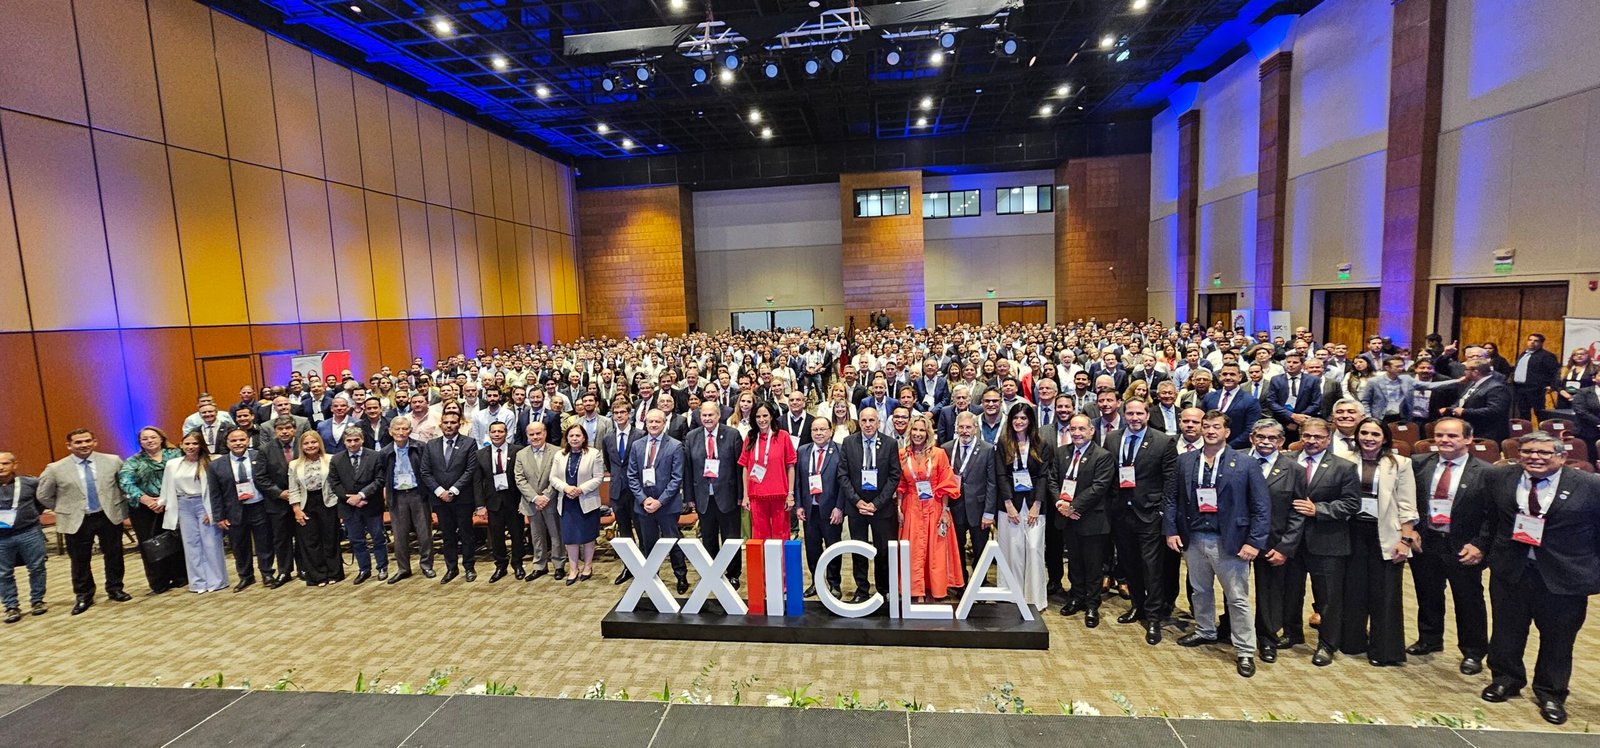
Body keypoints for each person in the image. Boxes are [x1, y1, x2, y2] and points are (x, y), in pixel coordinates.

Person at [1475, 431, 1600, 726]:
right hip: (1512, 569)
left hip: (1564, 575)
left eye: (1544, 452)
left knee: (1558, 638)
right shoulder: (1498, 477)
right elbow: (1491, 519)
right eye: (1528, 451)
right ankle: (1506, 680)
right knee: (1506, 630)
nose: (1535, 457)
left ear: (1562, 456)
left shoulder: (1590, 485)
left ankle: (1551, 693)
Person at [1163, 410, 1271, 678]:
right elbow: (1172, 498)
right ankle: (1205, 630)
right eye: (1206, 426)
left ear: (1227, 432)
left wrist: (1254, 542)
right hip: (1194, 537)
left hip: (1230, 541)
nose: (1210, 431)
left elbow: (1261, 507)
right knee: (1200, 590)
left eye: (1216, 427)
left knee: (1237, 598)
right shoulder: (1186, 460)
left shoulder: (1245, 463)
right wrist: (1171, 530)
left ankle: (1245, 649)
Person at [1407, 417, 1491, 675]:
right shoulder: (1418, 464)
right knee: (1427, 593)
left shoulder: (1486, 472)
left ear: (1468, 439)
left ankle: (1473, 652)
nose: (1444, 440)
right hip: (1427, 540)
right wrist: (1409, 530)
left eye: (1452, 436)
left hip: (1463, 546)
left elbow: (1493, 515)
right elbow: (1407, 501)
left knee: (1468, 601)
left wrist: (1480, 544)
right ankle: (1430, 639)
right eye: (1440, 435)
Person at [1340, 417, 1418, 667]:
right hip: (1352, 530)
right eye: (1364, 433)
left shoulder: (1401, 464)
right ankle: (1352, 642)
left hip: (1386, 533)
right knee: (1353, 589)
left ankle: (1384, 650)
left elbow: (1407, 504)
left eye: (1375, 434)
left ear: (1385, 438)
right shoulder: (1344, 459)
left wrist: (1405, 539)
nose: (1369, 438)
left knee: (1385, 593)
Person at [1286, 418, 1362, 666]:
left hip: (1328, 540)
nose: (1312, 441)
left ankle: (1327, 644)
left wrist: (1317, 509)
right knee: (1291, 591)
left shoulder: (1344, 467)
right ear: (1301, 436)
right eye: (1307, 436)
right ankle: (1291, 633)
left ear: (1328, 439)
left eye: (1318, 437)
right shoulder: (1287, 461)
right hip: (1291, 540)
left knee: (1328, 597)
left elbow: (1351, 504)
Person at [36, 429, 130, 615]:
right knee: (80, 560)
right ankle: (84, 595)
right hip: (77, 519)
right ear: (69, 445)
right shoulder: (55, 468)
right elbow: (43, 495)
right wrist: (64, 508)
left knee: (114, 554)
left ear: (95, 442)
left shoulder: (112, 461)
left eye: (87, 440)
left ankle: (115, 588)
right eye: (78, 442)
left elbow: (123, 485)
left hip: (107, 515)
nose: (84, 445)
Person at [1107, 398, 1177, 644]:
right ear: (1124, 414)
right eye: (1130, 413)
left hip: (1150, 514)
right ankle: (1137, 605)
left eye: (1139, 413)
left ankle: (1153, 616)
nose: (1134, 418)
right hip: (1121, 514)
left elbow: (1170, 481)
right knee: (1129, 564)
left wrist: (1162, 512)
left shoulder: (1163, 441)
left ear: (1147, 415)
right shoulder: (1113, 439)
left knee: (1151, 568)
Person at [1246, 418, 1305, 664]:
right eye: (1261, 437)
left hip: (1274, 541)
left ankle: (1267, 639)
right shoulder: (1237, 460)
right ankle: (1231, 630)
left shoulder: (1294, 469)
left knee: (1269, 594)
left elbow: (1298, 512)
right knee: (1234, 590)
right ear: (1252, 438)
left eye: (1272, 438)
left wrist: (1285, 547)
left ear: (1281, 441)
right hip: (1238, 539)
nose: (1266, 442)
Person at [1054, 414, 1114, 627]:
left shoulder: (1103, 456)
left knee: (1093, 564)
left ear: (1091, 431)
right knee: (1074, 562)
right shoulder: (1062, 452)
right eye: (1073, 429)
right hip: (1067, 518)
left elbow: (1099, 487)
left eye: (1081, 429)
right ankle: (1076, 597)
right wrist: (1061, 504)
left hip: (1092, 519)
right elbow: (1052, 479)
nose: (1077, 433)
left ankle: (1092, 604)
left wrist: (1073, 507)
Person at [895, 413, 963, 602]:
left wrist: (945, 511)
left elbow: (946, 482)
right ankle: (915, 589)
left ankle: (935, 587)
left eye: (922, 430)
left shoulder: (938, 454)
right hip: (911, 506)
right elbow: (900, 483)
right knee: (913, 548)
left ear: (928, 433)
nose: (918, 434)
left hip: (934, 505)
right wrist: (899, 508)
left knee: (934, 550)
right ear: (910, 432)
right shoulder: (902, 454)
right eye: (915, 430)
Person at [995, 402, 1055, 610]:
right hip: (1009, 504)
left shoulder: (1041, 444)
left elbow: (1044, 476)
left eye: (1023, 418)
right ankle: (1011, 597)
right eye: (1015, 418)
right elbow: (1001, 475)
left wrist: (1037, 504)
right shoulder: (1003, 443)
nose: (1019, 422)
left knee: (1033, 548)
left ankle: (1034, 599)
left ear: (1030, 421)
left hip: (1034, 503)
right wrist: (1008, 504)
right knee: (1012, 550)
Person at [838, 407, 901, 602]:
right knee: (859, 549)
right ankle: (862, 589)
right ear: (859, 422)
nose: (867, 424)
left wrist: (877, 504)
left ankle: (883, 588)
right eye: (864, 420)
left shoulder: (890, 444)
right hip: (856, 507)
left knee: (883, 551)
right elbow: (843, 475)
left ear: (878, 422)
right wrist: (857, 501)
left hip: (881, 508)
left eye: (871, 420)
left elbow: (894, 476)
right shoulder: (849, 443)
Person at [156, 430, 229, 595]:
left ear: (201, 445)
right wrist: (161, 503)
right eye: (187, 443)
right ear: (181, 445)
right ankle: (197, 582)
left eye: (195, 443)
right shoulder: (173, 464)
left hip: (204, 505)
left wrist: (213, 511)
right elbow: (166, 487)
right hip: (184, 505)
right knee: (191, 544)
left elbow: (217, 490)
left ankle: (217, 581)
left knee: (210, 543)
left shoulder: (211, 462)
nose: (191, 447)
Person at [208, 428, 280, 591]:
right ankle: (246, 576)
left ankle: (267, 573)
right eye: (233, 441)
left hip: (259, 506)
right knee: (239, 545)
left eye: (242, 440)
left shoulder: (259, 456)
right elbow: (215, 493)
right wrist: (219, 516)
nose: (238, 443)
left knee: (264, 542)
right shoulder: (216, 465)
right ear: (227, 443)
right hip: (234, 510)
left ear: (248, 441)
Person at [117, 428, 186, 594]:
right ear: (140, 442)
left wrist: (165, 500)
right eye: (145, 438)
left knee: (177, 540)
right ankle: (159, 581)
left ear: (161, 438)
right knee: (151, 545)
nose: (149, 441)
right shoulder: (133, 461)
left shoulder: (176, 455)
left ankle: (181, 576)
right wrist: (147, 500)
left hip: (173, 503)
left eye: (153, 437)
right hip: (145, 509)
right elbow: (125, 482)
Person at [627, 409, 689, 595]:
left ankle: (681, 576)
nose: (653, 425)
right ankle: (652, 577)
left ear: (664, 424)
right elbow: (631, 476)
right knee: (649, 544)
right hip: (644, 506)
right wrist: (643, 499)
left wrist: (659, 502)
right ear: (646, 424)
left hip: (667, 505)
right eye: (650, 422)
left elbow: (677, 478)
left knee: (673, 542)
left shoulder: (675, 446)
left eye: (657, 422)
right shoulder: (637, 445)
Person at [685, 401, 745, 587]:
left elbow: (739, 468)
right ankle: (712, 572)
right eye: (704, 415)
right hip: (703, 496)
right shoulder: (691, 437)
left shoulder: (732, 435)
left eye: (711, 415)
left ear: (718, 416)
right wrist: (689, 498)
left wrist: (741, 495)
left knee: (731, 537)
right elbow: (688, 469)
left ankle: (733, 572)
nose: (707, 418)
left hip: (728, 495)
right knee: (708, 537)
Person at [422, 412, 478, 584]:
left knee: (466, 534)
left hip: (462, 498)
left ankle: (469, 567)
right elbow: (425, 471)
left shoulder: (469, 443)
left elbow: (470, 470)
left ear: (459, 424)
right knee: (447, 536)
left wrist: (453, 491)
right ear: (441, 425)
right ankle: (451, 568)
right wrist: (440, 491)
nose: (449, 425)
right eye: (445, 422)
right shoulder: (431, 445)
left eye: (452, 422)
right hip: (440, 499)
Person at [328, 427, 386, 585]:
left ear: (362, 440)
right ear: (344, 442)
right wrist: (350, 499)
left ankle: (382, 567)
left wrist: (361, 495)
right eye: (349, 440)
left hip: (371, 504)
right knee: (357, 540)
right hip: (349, 507)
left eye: (356, 440)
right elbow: (334, 483)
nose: (353, 443)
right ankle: (364, 569)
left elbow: (380, 480)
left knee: (378, 538)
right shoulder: (336, 459)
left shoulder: (375, 456)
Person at [944, 411, 997, 582]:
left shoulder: (987, 449)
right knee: (956, 548)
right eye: (961, 427)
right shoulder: (946, 448)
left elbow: (992, 483)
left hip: (979, 509)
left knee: (980, 549)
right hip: (955, 507)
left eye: (968, 427)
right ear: (956, 428)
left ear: (975, 428)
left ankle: (980, 582)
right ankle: (960, 581)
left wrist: (989, 512)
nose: (964, 431)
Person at [550, 422, 605, 584]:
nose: (574, 438)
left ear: (584, 438)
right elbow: (553, 477)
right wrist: (566, 488)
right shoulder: (559, 455)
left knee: (588, 536)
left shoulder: (594, 454)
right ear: (567, 438)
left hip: (587, 500)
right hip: (567, 501)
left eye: (578, 435)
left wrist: (580, 489)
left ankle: (587, 566)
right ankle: (573, 569)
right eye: (571, 435)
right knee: (570, 537)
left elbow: (598, 477)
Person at [796, 417, 844, 598]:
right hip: (810, 510)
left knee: (833, 548)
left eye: (823, 429)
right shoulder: (803, 451)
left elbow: (843, 483)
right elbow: (798, 481)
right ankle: (816, 583)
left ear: (830, 431)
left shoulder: (840, 450)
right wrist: (799, 505)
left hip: (831, 510)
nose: (819, 433)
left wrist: (839, 507)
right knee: (812, 549)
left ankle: (834, 583)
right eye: (815, 430)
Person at [287, 430, 342, 587]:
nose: (310, 446)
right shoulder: (294, 465)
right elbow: (293, 489)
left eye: (313, 442)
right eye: (306, 443)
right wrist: (296, 509)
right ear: (301, 446)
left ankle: (334, 573)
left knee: (330, 539)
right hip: (306, 504)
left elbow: (336, 483)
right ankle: (318, 576)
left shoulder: (331, 459)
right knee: (311, 541)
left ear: (320, 444)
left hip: (328, 502)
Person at [381, 418, 433, 583]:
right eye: (397, 429)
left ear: (410, 431)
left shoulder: (420, 447)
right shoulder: (385, 452)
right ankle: (403, 568)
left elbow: (427, 470)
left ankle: (426, 565)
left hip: (418, 493)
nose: (401, 432)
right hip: (397, 496)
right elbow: (382, 476)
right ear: (390, 432)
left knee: (424, 533)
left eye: (404, 429)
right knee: (399, 535)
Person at [473, 421, 525, 582]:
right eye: (493, 432)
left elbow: (524, 477)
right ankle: (500, 565)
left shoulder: (518, 451)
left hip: (514, 501)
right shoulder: (480, 454)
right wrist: (480, 505)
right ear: (489, 434)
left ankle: (518, 564)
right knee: (496, 537)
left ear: (506, 433)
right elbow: (477, 482)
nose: (497, 434)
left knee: (517, 534)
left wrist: (524, 500)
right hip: (493, 501)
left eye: (500, 431)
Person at [513, 421, 565, 581]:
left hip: (552, 501)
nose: (535, 437)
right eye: (532, 434)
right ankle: (539, 566)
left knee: (556, 535)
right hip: (531, 502)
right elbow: (519, 479)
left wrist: (546, 497)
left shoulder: (557, 452)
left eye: (538, 433)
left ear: (545, 433)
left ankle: (559, 565)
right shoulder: (521, 454)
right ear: (527, 436)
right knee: (536, 536)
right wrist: (535, 498)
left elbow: (559, 477)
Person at [739, 402, 797, 541]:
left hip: (780, 495)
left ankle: (780, 557)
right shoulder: (750, 437)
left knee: (781, 535)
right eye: (758, 416)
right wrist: (746, 495)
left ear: (771, 416)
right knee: (759, 536)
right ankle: (763, 557)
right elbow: (745, 467)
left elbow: (790, 466)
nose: (762, 420)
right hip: (756, 495)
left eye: (765, 415)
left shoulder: (783, 436)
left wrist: (790, 494)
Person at [0, 452, 47, 623]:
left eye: (5, 463)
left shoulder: (30, 483)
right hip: (1, 538)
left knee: (37, 567)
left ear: (15, 465)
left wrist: (30, 516)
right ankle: (11, 606)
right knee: (3, 573)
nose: (1, 467)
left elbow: (41, 502)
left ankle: (37, 600)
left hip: (29, 532)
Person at [604, 398, 644, 585]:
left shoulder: (640, 435)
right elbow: (609, 463)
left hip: (637, 491)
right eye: (616, 413)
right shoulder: (608, 438)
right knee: (625, 532)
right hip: (617, 491)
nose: (619, 416)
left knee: (642, 531)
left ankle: (646, 567)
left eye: (622, 412)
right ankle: (629, 566)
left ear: (629, 414)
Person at [1509, 333, 1559, 421]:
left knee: (1539, 412)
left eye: (1536, 341)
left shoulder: (1546, 355)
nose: (1532, 342)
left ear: (1541, 343)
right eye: (1530, 340)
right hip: (1519, 388)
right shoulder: (1524, 354)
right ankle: (1526, 429)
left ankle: (1542, 429)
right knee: (1523, 412)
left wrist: (1552, 385)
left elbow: (1554, 372)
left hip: (1536, 389)